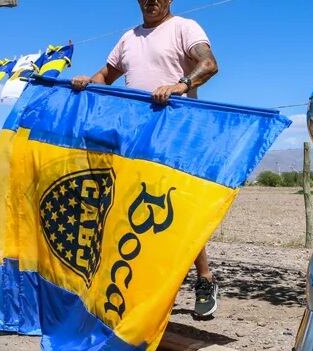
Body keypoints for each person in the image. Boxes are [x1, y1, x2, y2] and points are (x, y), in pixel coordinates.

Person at [72, 0, 220, 318]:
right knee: (130, 207)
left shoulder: (184, 27)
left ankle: (205, 279)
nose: (152, 1)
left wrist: (181, 85)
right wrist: (87, 82)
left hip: (175, 133)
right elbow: (105, 75)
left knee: (179, 210)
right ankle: (137, 286)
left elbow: (209, 64)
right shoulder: (129, 38)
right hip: (134, 135)